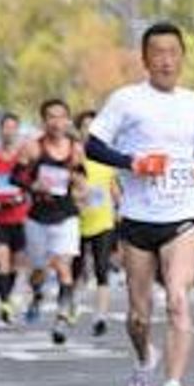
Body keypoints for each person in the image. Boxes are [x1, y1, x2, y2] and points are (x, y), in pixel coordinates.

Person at [84, 21, 194, 386]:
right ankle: (145, 359)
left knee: (178, 299)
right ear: (144, 59)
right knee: (139, 316)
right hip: (138, 220)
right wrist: (132, 163)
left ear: (182, 57)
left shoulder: (193, 102)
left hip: (181, 217)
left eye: (173, 52)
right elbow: (92, 145)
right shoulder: (126, 100)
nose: (165, 60)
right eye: (157, 52)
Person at [12, 99, 87, 345]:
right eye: (51, 117)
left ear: (67, 120)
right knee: (39, 270)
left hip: (66, 216)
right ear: (44, 121)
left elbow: (81, 177)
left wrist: (79, 185)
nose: (57, 122)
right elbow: (15, 176)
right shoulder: (33, 147)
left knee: (62, 264)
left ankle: (61, 319)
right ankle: (37, 295)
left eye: (61, 117)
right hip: (38, 217)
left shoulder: (75, 149)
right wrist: (33, 184)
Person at [73, 110, 121, 337]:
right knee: (76, 270)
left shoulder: (107, 158)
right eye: (85, 126)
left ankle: (100, 316)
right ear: (79, 130)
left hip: (104, 221)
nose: (90, 131)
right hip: (76, 221)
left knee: (102, 269)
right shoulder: (73, 157)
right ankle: (70, 307)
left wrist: (123, 210)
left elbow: (114, 190)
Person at [0, 112, 30, 325]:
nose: (9, 131)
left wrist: (23, 195)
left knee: (15, 264)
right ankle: (5, 302)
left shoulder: (22, 158)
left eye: (13, 127)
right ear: (0, 130)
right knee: (0, 258)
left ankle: (9, 297)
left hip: (20, 218)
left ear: (17, 131)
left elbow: (31, 182)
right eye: (6, 127)